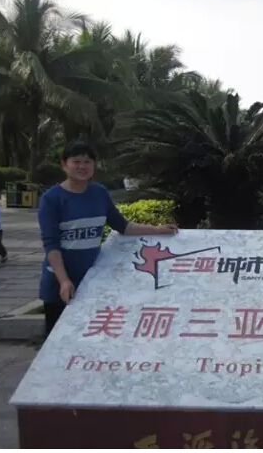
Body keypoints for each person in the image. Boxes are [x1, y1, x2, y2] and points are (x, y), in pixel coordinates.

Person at [38, 140, 179, 338]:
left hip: (93, 281)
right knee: (56, 340)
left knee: (89, 338)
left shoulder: (99, 193)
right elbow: (51, 246)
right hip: (60, 283)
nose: (82, 166)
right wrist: (64, 281)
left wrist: (158, 230)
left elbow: (123, 226)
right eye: (76, 161)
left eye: (87, 162)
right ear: (64, 164)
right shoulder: (51, 199)